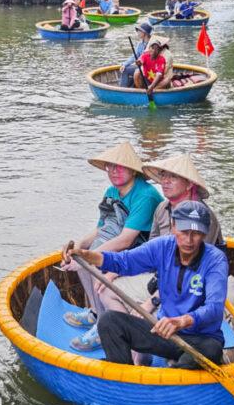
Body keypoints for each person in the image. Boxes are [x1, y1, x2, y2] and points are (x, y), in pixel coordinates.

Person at [67, 200, 228, 369]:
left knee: (210, 350)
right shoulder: (163, 246)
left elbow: (215, 308)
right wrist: (85, 255)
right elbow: (124, 261)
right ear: (173, 226)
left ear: (204, 234)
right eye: (183, 231)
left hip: (199, 338)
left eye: (195, 233)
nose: (189, 240)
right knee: (108, 321)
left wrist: (182, 321)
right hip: (163, 333)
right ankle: (125, 377)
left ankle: (178, 371)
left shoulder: (215, 259)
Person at [61, 142, 163, 350]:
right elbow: (102, 228)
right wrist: (79, 247)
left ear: (133, 171)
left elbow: (126, 240)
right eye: (110, 166)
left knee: (89, 262)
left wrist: (90, 256)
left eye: (120, 167)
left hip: (141, 250)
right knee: (81, 260)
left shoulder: (145, 195)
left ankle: (103, 325)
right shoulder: (111, 191)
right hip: (121, 245)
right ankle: (96, 311)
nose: (114, 172)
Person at [119, 22, 153, 87]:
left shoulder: (153, 44)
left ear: (144, 33)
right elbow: (135, 56)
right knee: (124, 68)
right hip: (140, 66)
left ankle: (123, 89)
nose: (137, 33)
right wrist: (124, 64)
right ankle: (125, 88)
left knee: (127, 71)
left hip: (149, 68)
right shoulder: (140, 44)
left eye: (139, 31)